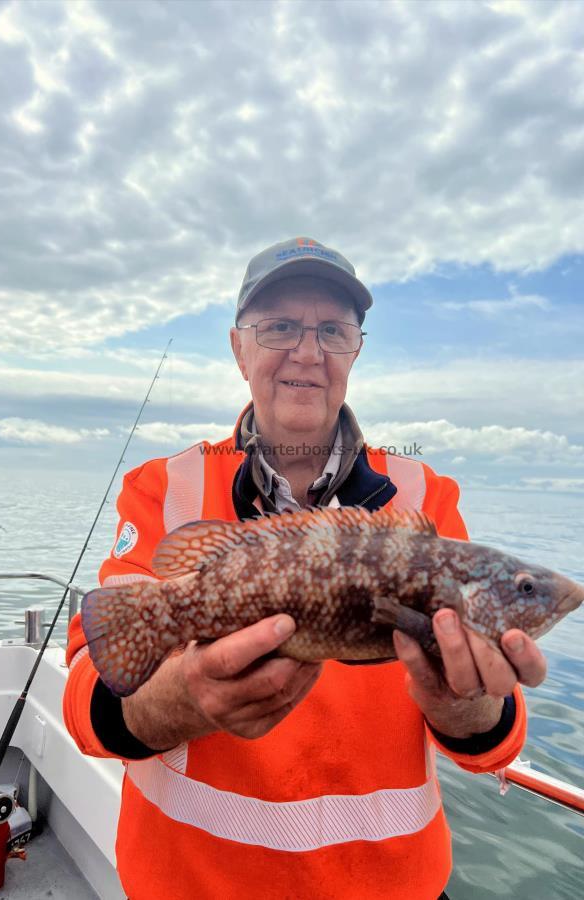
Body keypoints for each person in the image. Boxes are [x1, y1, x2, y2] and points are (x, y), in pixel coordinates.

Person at [64, 237, 547, 900]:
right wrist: (186, 695)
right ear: (239, 348)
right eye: (280, 327)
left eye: (331, 330)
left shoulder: (424, 498)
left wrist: (465, 700)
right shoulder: (163, 488)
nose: (307, 352)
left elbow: (488, 740)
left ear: (355, 349)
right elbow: (90, 698)